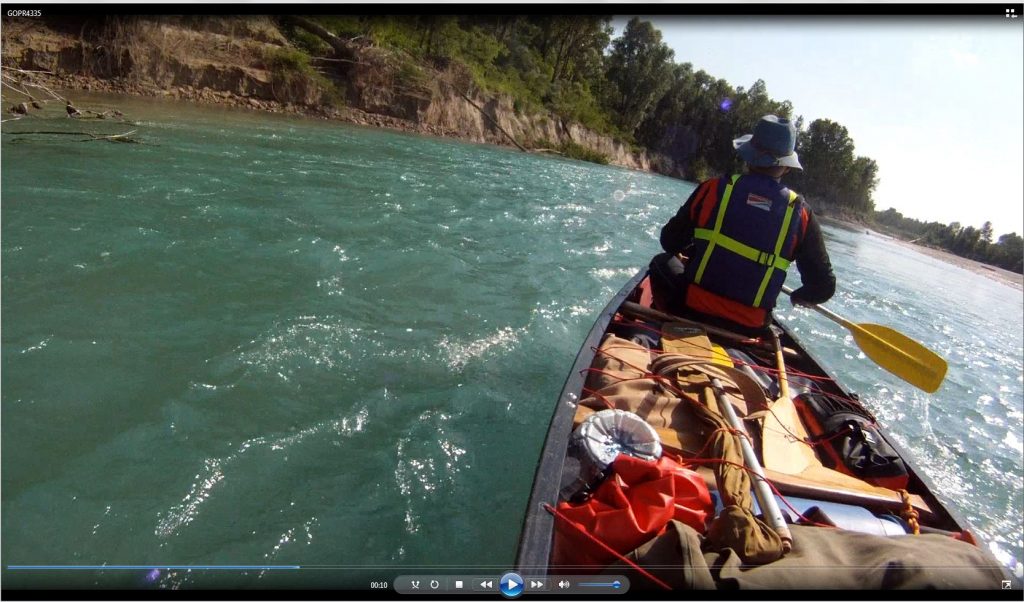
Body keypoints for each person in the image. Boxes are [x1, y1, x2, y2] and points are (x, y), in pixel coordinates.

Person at [650, 114, 835, 336]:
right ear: (786, 167)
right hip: (750, 326)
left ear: (748, 157)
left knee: (661, 262)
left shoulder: (712, 189)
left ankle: (666, 323)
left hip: (693, 308)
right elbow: (823, 286)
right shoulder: (801, 213)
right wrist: (799, 296)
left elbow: (669, 241)